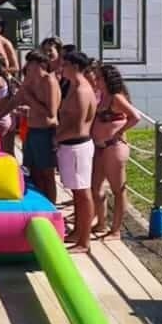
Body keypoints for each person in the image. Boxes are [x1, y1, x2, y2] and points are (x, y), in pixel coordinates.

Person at [89, 65, 141, 240]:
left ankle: (116, 230)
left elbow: (135, 116)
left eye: (99, 78)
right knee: (95, 187)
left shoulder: (116, 98)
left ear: (107, 80)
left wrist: (119, 131)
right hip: (100, 147)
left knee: (118, 189)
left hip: (113, 147)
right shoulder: (101, 97)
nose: (96, 81)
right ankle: (101, 222)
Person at [56, 50, 98, 252]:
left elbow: (78, 125)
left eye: (65, 64)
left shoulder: (82, 91)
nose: (61, 67)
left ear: (74, 66)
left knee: (83, 193)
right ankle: (78, 232)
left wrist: (56, 139)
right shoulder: (73, 87)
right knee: (77, 192)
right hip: (70, 145)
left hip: (77, 146)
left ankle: (84, 241)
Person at [7, 44, 60, 202]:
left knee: (47, 174)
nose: (27, 67)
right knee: (32, 171)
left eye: (30, 63)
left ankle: (51, 207)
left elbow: (51, 112)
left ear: (39, 64)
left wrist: (29, 99)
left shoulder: (49, 81)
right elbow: (16, 99)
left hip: (46, 131)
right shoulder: (30, 80)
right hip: (32, 131)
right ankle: (39, 203)